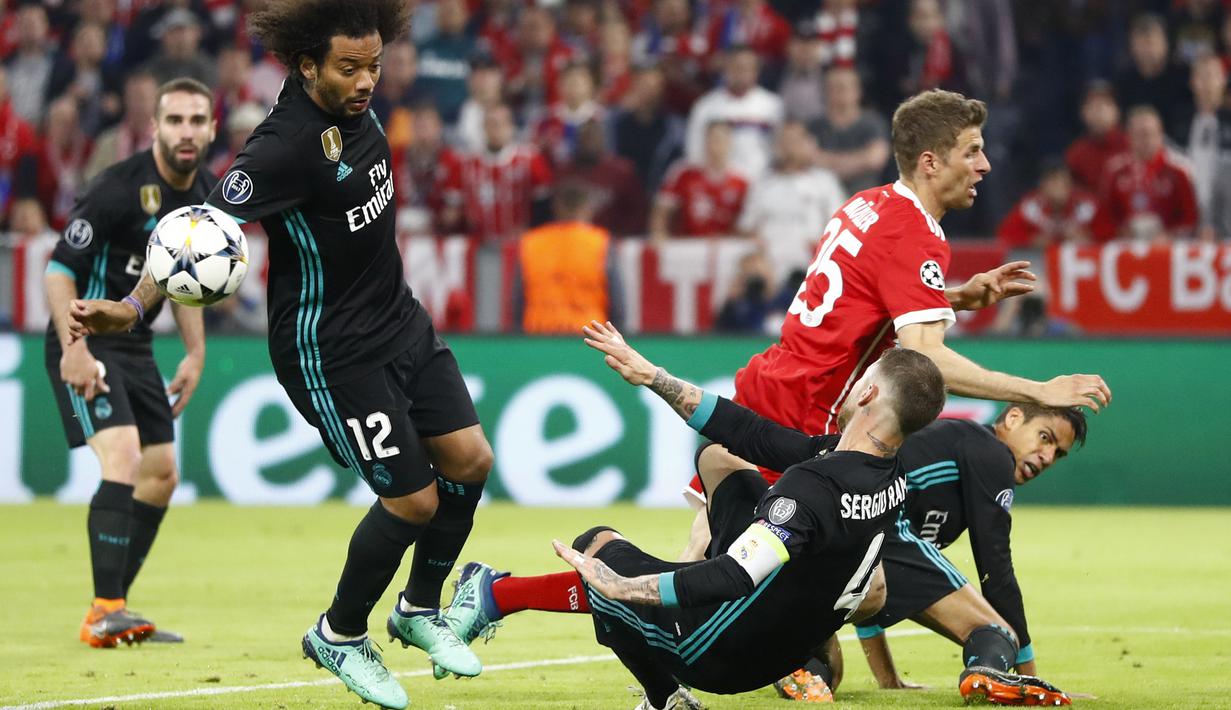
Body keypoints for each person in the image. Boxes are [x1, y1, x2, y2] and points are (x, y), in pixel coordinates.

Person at [66, 3, 494, 708]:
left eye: (374, 65)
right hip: (332, 349)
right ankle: (339, 633)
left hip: (400, 320)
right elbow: (197, 232)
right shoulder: (281, 147)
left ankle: (419, 610)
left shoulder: (360, 110)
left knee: (471, 460)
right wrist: (135, 307)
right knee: (413, 500)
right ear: (307, 66)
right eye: (349, 68)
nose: (366, 81)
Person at [684, 89, 1111, 698]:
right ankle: (735, 642)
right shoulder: (915, 234)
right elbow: (925, 356)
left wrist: (955, 297)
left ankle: (677, 654)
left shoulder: (866, 205)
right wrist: (1040, 388)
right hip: (806, 420)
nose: (985, 165)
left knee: (715, 553)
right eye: (972, 151)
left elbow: (865, 297)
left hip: (765, 389)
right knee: (850, 592)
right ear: (931, 162)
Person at [443, 321, 952, 710]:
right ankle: (497, 593)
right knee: (720, 458)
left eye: (864, 377)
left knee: (598, 547)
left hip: (719, 654)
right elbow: (751, 433)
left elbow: (733, 575)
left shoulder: (810, 487)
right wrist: (652, 376)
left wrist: (624, 587)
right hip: (785, 645)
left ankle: (663, 695)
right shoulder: (889, 473)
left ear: (867, 393)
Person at [44, 77, 217, 648]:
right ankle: (105, 611)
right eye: (176, 120)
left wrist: (195, 352)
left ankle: (114, 606)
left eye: (197, 120)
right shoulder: (117, 188)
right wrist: (74, 349)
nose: (186, 131)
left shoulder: (206, 196)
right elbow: (58, 271)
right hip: (85, 337)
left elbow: (183, 279)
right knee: (123, 457)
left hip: (137, 346)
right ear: (156, 127)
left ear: (212, 129)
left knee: (162, 475)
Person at [852, 403, 1088, 701]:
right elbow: (995, 570)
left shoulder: (962, 455)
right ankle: (990, 675)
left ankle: (808, 670)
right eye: (1045, 437)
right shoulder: (993, 452)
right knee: (999, 634)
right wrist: (1031, 680)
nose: (1048, 457)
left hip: (845, 534)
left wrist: (888, 680)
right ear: (1014, 418)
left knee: (825, 671)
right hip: (876, 527)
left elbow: (868, 578)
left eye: (1058, 453)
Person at [737, 120, 846, 284]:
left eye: (795, 141)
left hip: (811, 264)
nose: (789, 147)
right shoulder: (763, 183)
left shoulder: (824, 181)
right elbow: (746, 227)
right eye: (785, 141)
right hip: (768, 266)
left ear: (807, 143)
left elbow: (842, 225)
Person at [512, 182, 624, 333]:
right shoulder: (601, 242)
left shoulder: (531, 242)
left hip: (539, 332)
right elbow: (617, 301)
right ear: (587, 208)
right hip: (590, 334)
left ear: (555, 207)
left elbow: (518, 299)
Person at [1093, 105, 1198, 242]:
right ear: (1129, 136)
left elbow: (1191, 220)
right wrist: (1119, 233)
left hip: (1168, 247)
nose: (1147, 140)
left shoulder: (1179, 170)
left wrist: (1169, 236)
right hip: (1126, 247)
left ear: (1160, 134)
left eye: (1151, 134)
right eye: (1141, 135)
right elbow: (1103, 218)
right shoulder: (1114, 170)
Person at [684, 46, 783, 181]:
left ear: (756, 72)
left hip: (761, 182)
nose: (741, 73)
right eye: (736, 67)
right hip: (721, 183)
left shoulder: (773, 106)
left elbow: (780, 151)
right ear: (726, 69)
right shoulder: (706, 106)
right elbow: (695, 151)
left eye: (747, 68)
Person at [650, 121, 748, 241]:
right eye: (710, 139)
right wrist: (659, 233)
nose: (714, 146)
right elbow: (662, 210)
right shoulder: (684, 174)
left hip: (725, 246)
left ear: (730, 142)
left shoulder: (742, 181)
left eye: (719, 140)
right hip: (688, 244)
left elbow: (747, 221)